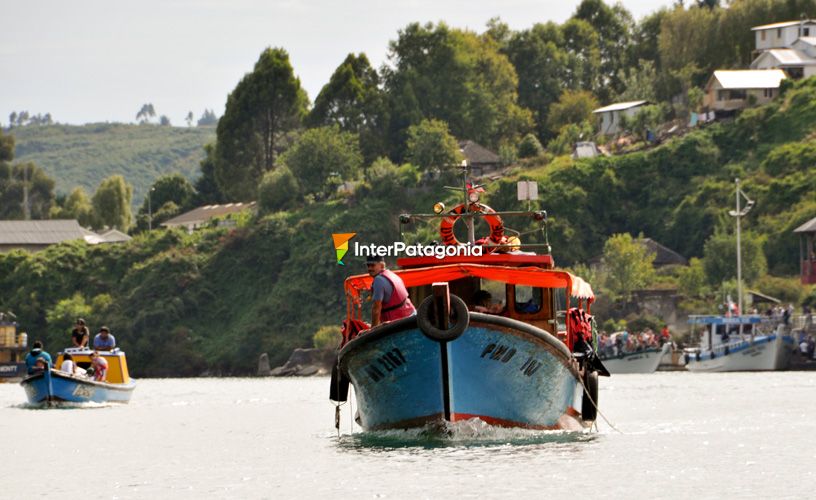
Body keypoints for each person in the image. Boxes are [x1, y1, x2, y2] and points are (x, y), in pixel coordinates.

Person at [366, 255, 415, 327]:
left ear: (382, 265)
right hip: (412, 315)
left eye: (373, 265)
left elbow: (376, 309)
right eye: (368, 265)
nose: (370, 268)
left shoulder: (378, 280)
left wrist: (372, 330)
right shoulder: (392, 274)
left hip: (400, 323)